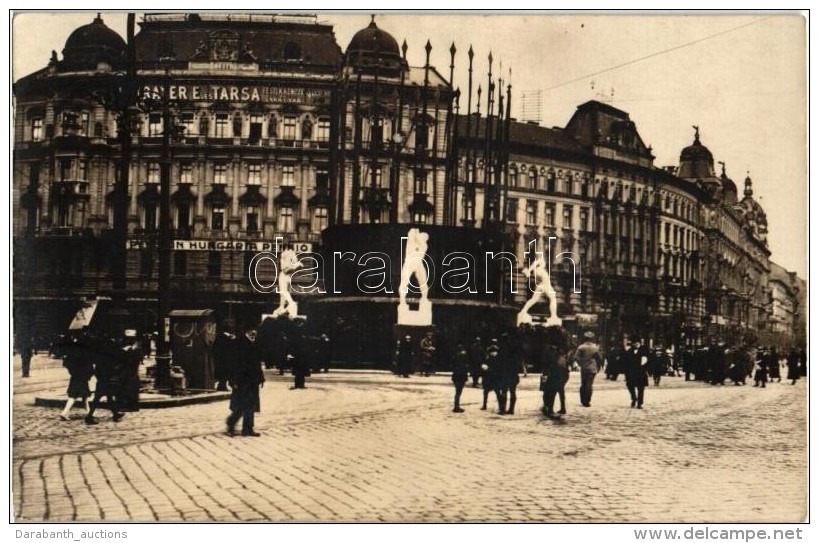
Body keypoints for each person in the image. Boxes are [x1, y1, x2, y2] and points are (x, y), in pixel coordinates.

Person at [226, 323, 265, 437]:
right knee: (240, 405)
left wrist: (261, 378)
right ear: (246, 331)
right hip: (242, 380)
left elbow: (257, 363)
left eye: (255, 330)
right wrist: (234, 380)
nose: (254, 333)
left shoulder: (255, 343)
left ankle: (248, 429)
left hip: (253, 380)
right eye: (251, 330)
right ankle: (231, 424)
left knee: (251, 405)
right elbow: (234, 363)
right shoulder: (239, 343)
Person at [85, 333, 125, 425]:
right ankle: (89, 417)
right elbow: (117, 357)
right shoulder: (109, 347)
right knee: (99, 397)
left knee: (108, 396)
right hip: (106, 374)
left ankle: (115, 414)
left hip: (101, 373)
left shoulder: (98, 347)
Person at [58, 331, 93, 421]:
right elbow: (88, 364)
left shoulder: (73, 349)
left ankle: (89, 412)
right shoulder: (85, 351)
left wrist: (72, 372)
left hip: (75, 375)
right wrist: (90, 373)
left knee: (84, 394)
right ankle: (64, 412)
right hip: (82, 376)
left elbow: (67, 363)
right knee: (74, 396)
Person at [574, 331, 602, 407]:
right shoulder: (595, 347)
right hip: (592, 368)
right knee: (589, 385)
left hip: (584, 368)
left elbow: (576, 357)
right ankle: (587, 401)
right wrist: (598, 366)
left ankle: (582, 400)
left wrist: (581, 363)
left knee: (583, 384)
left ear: (585, 338)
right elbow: (599, 358)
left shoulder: (581, 347)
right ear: (592, 339)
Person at [623, 336, 649, 408]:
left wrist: (645, 369)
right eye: (634, 343)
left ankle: (640, 403)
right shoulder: (629, 351)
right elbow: (626, 362)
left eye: (637, 343)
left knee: (641, 388)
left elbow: (646, 360)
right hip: (631, 372)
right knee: (630, 386)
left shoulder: (644, 350)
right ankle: (634, 398)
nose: (636, 344)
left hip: (641, 371)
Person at [212, 319, 237, 391]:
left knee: (227, 373)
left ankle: (224, 385)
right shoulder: (223, 337)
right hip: (224, 360)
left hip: (226, 360)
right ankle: (223, 385)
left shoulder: (221, 337)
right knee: (224, 373)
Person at [481, 338, 500, 411]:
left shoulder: (490, 356)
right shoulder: (495, 355)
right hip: (491, 377)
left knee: (490, 392)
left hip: (491, 377)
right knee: (495, 392)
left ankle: (484, 405)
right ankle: (485, 405)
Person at [451, 343, 469, 412]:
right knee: (458, 392)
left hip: (455, 376)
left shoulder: (454, 357)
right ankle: (456, 407)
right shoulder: (462, 357)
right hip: (461, 376)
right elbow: (466, 366)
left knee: (457, 392)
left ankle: (456, 406)